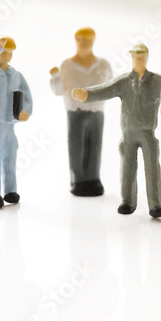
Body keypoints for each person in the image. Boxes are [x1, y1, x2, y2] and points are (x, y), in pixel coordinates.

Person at [72, 43, 161, 218]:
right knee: (127, 168)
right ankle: (128, 201)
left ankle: (156, 204)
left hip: (147, 133)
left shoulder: (156, 81)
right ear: (132, 58)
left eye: (142, 55)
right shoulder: (124, 82)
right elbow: (106, 89)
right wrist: (87, 94)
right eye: (136, 55)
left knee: (152, 167)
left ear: (147, 57)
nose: (139, 58)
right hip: (128, 134)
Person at [49, 27, 113, 196]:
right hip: (75, 113)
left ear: (94, 41)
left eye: (88, 40)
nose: (84, 43)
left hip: (96, 112)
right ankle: (77, 180)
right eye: (81, 39)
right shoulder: (67, 65)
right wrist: (56, 77)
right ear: (75, 40)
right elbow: (59, 90)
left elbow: (111, 87)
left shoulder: (103, 65)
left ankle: (93, 179)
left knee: (95, 146)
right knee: (76, 145)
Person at [0, 36, 32, 209]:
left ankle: (11, 190)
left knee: (11, 154)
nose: (8, 55)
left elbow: (26, 94)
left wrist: (25, 111)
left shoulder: (16, 75)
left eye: (10, 52)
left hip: (10, 121)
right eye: (4, 52)